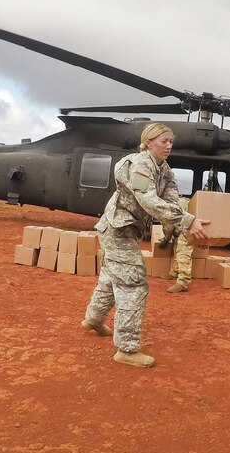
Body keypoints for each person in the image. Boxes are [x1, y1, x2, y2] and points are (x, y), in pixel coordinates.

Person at [81, 123, 209, 367]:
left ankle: (93, 321)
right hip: (117, 230)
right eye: (164, 141)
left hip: (125, 231)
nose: (169, 145)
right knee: (133, 283)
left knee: (111, 278)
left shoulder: (165, 169)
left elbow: (171, 200)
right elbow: (147, 199)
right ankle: (126, 350)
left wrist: (185, 225)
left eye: (171, 141)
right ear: (148, 142)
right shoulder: (141, 166)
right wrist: (186, 221)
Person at [159, 197, 194, 293]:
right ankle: (175, 272)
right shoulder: (171, 201)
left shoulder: (163, 209)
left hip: (188, 226)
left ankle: (183, 282)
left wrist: (165, 241)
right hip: (186, 224)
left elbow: (168, 229)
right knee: (176, 245)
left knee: (183, 251)